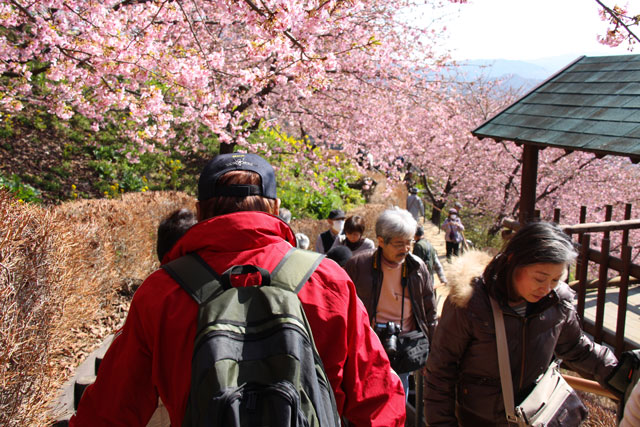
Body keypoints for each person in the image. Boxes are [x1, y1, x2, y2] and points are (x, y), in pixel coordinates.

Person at [71, 153, 406, 426]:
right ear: (275, 209)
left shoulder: (163, 291)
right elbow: (378, 399)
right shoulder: (327, 280)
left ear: (200, 213)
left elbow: (110, 408)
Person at [424, 221, 619, 426]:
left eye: (555, 280)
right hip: (479, 419)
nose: (546, 289)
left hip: (535, 416)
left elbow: (576, 347)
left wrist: (621, 373)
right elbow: (440, 371)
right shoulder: (472, 303)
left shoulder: (557, 301)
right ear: (513, 261)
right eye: (540, 278)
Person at [344, 207, 437, 397]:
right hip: (367, 345)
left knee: (397, 401)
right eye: (398, 244)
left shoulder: (417, 268)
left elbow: (430, 313)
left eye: (409, 242)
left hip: (404, 348)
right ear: (380, 241)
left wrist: (433, 353)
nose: (405, 249)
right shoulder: (359, 265)